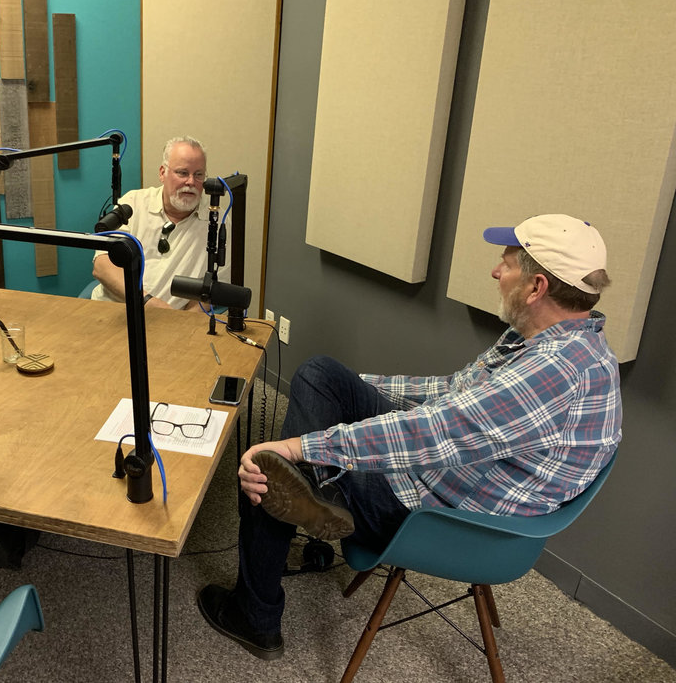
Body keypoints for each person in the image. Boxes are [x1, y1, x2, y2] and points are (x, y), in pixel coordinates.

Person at [197, 213, 622, 660]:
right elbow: (452, 392)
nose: (496, 272)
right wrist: (353, 390)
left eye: (508, 264)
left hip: (444, 516)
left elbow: (431, 433)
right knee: (321, 375)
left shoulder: (554, 372)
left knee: (266, 474)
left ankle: (255, 617)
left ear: (536, 287)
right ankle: (317, 493)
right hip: (452, 471)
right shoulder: (551, 339)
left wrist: (298, 446)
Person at [91, 136, 230, 309]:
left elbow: (211, 289)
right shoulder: (133, 203)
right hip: (115, 310)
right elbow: (102, 266)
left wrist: (181, 325)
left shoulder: (216, 220)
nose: (191, 182)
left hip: (171, 322)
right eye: (182, 172)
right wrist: (147, 302)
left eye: (199, 175)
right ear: (162, 173)